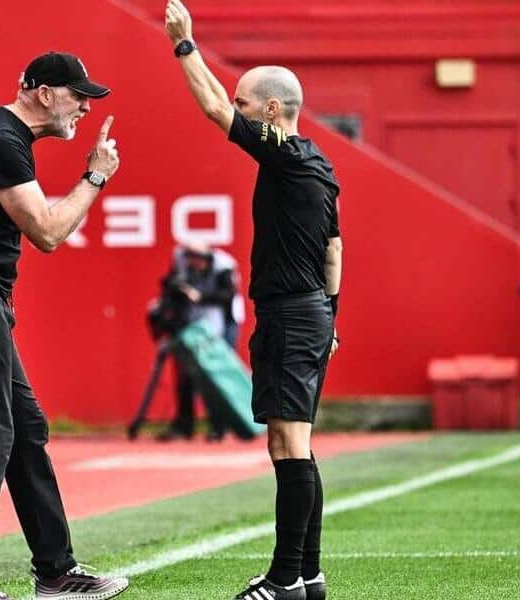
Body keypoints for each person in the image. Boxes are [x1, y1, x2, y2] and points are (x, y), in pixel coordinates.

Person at [0, 52, 129, 600]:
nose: (85, 107)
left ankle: (56, 571)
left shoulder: (5, 137)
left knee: (25, 430)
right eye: (78, 95)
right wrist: (95, 177)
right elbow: (48, 232)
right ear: (44, 93)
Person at [165, 3, 342, 599]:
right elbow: (335, 250)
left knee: (289, 446)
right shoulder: (320, 163)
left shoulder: (285, 154)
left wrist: (185, 44)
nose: (235, 109)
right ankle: (309, 576)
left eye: (247, 104)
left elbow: (214, 108)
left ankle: (285, 580)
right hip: (309, 312)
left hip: (291, 314)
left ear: (271, 112)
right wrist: (331, 318)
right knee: (294, 445)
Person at [157, 241, 239, 442]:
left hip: (223, 323)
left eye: (199, 259)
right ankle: (184, 425)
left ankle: (219, 426)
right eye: (191, 258)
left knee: (216, 377)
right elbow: (169, 286)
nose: (194, 263)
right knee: (186, 375)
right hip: (194, 323)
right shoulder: (181, 261)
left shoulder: (223, 265)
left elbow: (228, 296)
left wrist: (199, 296)